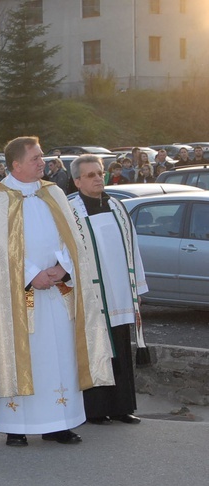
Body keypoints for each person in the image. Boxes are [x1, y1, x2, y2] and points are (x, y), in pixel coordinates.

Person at [0, 136, 114, 447]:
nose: (42, 162)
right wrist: (32, 275)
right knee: (22, 355)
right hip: (19, 296)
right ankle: (15, 426)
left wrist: (62, 268)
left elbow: (72, 239)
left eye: (41, 156)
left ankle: (60, 423)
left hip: (58, 290)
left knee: (59, 356)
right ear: (16, 165)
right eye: (35, 158)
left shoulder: (54, 192)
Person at [68, 155, 148, 426]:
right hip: (91, 294)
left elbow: (132, 246)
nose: (97, 178)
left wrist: (137, 286)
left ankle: (122, 406)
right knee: (97, 349)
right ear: (77, 181)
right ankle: (96, 409)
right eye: (90, 175)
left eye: (99, 173)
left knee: (120, 347)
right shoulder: (69, 210)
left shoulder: (116, 207)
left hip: (119, 292)